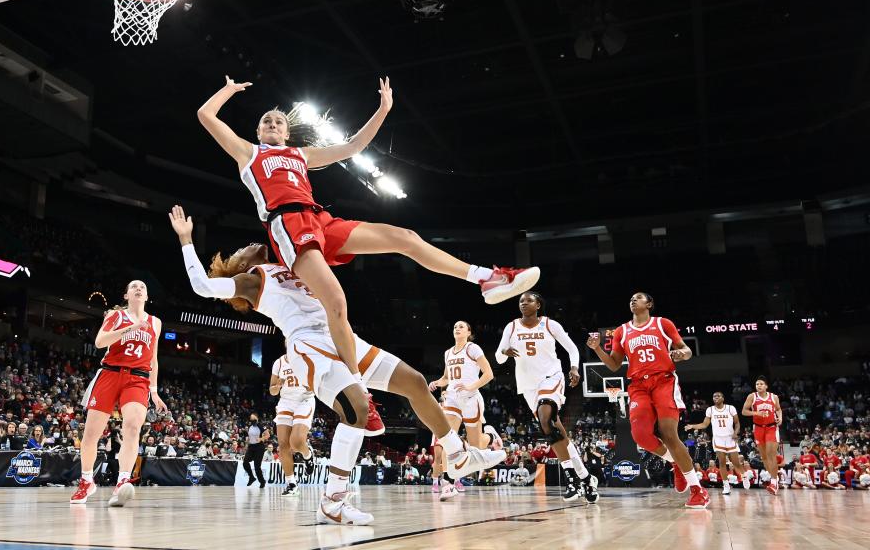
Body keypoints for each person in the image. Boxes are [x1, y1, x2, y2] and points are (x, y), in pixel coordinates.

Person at [170, 205, 505, 525]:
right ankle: (333, 501)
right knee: (356, 408)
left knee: (414, 381)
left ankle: (457, 454)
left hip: (341, 335)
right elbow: (202, 286)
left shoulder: (293, 258)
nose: (248, 246)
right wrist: (186, 240)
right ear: (240, 265)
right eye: (240, 251)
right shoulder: (251, 280)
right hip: (309, 346)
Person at [195, 77, 540, 383]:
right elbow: (206, 117)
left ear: (286, 132)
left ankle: (485, 278)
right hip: (287, 224)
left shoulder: (300, 155)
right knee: (337, 303)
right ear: (258, 132)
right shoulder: (249, 153)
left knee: (405, 238)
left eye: (278, 121)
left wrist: (383, 110)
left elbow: (352, 147)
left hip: (319, 220)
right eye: (266, 121)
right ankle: (356, 386)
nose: (272, 123)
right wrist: (226, 91)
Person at [586, 291, 709, 509]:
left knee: (669, 434)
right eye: (631, 298)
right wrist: (597, 349)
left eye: (639, 297)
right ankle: (676, 463)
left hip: (664, 381)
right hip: (638, 386)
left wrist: (683, 354)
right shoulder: (622, 331)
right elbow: (614, 365)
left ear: (649, 303)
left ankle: (697, 489)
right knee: (640, 436)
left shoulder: (662, 324)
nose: (633, 300)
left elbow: (685, 349)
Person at [71, 281, 169, 507]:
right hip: (110, 374)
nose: (138, 289)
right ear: (126, 294)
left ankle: (122, 481)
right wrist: (130, 329)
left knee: (133, 426)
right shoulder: (116, 316)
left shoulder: (155, 322)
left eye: (143, 287)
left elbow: (153, 358)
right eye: (133, 286)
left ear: (146, 295)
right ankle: (87, 480)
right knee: (91, 434)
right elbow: (99, 342)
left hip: (138, 378)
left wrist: (154, 391)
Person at [496, 292, 598, 504]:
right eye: (521, 301)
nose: (524, 303)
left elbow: (572, 348)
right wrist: (505, 351)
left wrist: (574, 368)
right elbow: (498, 357)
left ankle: (571, 479)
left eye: (529, 300)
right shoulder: (512, 326)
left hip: (551, 377)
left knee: (546, 418)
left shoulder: (550, 325)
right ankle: (586, 478)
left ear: (538, 305)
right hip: (528, 386)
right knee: (555, 431)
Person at [429, 321, 495, 452]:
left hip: (470, 397)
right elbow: (446, 378)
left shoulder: (472, 348)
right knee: (449, 440)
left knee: (475, 446)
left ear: (468, 332)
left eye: (461, 326)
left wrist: (471, 387)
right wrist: (436, 383)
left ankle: (490, 437)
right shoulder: (448, 353)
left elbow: (489, 374)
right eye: (454, 327)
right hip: (452, 397)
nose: (457, 328)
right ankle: (450, 471)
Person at [270, 354, 316, 496]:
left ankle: (308, 455)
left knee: (296, 443)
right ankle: (291, 484)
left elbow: (319, 382)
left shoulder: (310, 358)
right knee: (283, 445)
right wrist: (277, 386)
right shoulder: (279, 362)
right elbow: (272, 391)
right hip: (285, 402)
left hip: (304, 400)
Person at [685, 391, 744, 495]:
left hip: (730, 438)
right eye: (714, 396)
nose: (716, 397)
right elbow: (704, 424)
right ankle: (726, 486)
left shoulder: (730, 408)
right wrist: (692, 426)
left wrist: (736, 433)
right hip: (718, 439)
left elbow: (737, 423)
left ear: (723, 398)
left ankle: (744, 477)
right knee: (721, 462)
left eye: (718, 396)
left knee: (735, 463)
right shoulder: (710, 410)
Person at [741, 376, 782, 496]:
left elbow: (778, 409)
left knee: (771, 455)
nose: (758, 386)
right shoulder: (752, 396)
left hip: (771, 427)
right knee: (763, 457)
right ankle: (775, 479)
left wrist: (780, 418)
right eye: (757, 384)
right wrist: (756, 412)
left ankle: (774, 483)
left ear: (766, 386)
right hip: (758, 428)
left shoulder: (773, 397)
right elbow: (744, 411)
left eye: (761, 384)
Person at [242, 413, 271, 488]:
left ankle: (262, 481)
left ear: (257, 418)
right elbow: (249, 437)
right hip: (251, 446)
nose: (252, 420)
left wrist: (261, 439)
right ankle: (251, 477)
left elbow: (268, 435)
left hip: (259, 447)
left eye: (253, 419)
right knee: (245, 462)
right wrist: (246, 444)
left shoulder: (261, 426)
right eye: (251, 419)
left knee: (257, 466)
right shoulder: (250, 427)